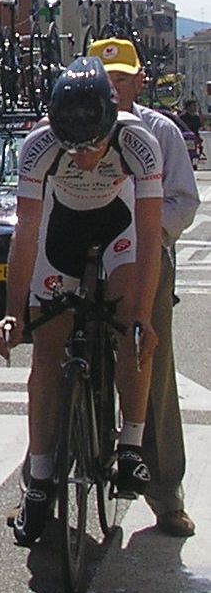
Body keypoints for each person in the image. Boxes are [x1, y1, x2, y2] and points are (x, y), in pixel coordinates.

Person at [0, 56, 162, 546]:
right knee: (46, 355)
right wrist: (13, 311)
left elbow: (150, 234)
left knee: (131, 330)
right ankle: (40, 477)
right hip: (60, 231)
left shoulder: (138, 141)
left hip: (117, 226)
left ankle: (130, 444)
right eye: (74, 148)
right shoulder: (39, 146)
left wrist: (142, 315)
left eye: (94, 145)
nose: (84, 157)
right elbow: (26, 232)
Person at [94, 39, 200, 537]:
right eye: (105, 79)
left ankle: (165, 491)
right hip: (83, 250)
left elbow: (183, 202)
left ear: (139, 81)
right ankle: (43, 480)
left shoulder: (160, 131)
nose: (114, 88)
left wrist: (146, 236)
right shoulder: (70, 122)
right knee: (58, 354)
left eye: (122, 78)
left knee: (150, 360)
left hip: (144, 254)